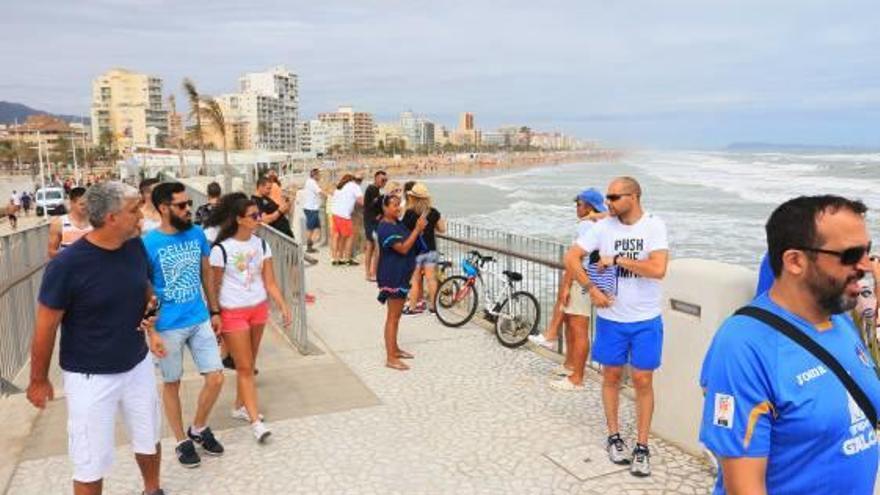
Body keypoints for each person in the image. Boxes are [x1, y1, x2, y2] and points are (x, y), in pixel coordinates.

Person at [700, 195, 880, 494]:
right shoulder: (743, 346)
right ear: (795, 261)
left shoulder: (840, 322)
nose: (865, 265)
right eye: (850, 255)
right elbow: (744, 488)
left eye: (868, 251)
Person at [26, 182, 165, 495]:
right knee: (91, 461)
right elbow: (45, 328)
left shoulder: (134, 246)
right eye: (134, 210)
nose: (141, 215)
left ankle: (152, 489)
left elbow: (144, 285)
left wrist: (151, 310)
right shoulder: (66, 266)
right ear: (112, 217)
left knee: (148, 436)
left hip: (137, 363)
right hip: (90, 377)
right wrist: (38, 380)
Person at [564, 176, 669, 477]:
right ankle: (614, 436)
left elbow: (658, 269)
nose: (607, 203)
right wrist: (591, 289)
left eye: (613, 197)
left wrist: (617, 259)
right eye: (607, 197)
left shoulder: (654, 226)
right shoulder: (602, 227)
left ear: (633, 197)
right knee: (610, 375)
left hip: (646, 319)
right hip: (611, 320)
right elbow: (571, 257)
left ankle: (642, 446)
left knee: (643, 381)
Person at [142, 182, 225, 468]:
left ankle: (198, 428)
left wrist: (215, 311)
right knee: (172, 382)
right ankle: (181, 440)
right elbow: (144, 289)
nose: (187, 209)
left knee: (216, 377)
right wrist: (151, 331)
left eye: (188, 203)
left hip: (199, 317)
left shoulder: (197, 233)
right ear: (163, 208)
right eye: (180, 205)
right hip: (167, 326)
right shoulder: (148, 243)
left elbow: (207, 275)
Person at [210, 196, 291, 443]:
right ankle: (256, 422)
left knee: (250, 361)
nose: (259, 219)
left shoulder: (262, 245)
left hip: (258, 309)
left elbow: (270, 282)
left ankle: (240, 406)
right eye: (254, 216)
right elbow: (213, 287)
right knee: (245, 367)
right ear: (239, 219)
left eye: (259, 215)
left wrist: (282, 304)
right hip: (233, 311)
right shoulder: (221, 249)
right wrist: (214, 317)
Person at [530, 188, 607, 349]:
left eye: (578, 204)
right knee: (572, 324)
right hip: (595, 275)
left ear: (588, 207)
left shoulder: (586, 224)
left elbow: (577, 258)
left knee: (577, 328)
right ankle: (567, 362)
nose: (576, 208)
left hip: (582, 278)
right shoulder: (602, 222)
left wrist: (566, 285)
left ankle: (552, 338)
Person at [376, 194, 427, 370]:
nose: (398, 209)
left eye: (399, 205)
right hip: (392, 276)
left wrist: (418, 229)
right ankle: (390, 358)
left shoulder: (397, 224)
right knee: (393, 317)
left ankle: (395, 349)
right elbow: (404, 248)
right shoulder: (385, 228)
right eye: (394, 206)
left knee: (396, 317)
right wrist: (417, 230)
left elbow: (409, 242)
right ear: (385, 208)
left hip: (400, 274)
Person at [401, 183, 446, 314]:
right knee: (431, 279)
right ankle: (434, 307)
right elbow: (442, 229)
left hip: (414, 251)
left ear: (413, 198)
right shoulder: (433, 212)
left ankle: (413, 307)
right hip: (430, 250)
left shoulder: (409, 213)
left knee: (414, 279)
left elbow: (403, 232)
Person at [330, 173, 364, 265]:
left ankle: (335, 258)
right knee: (349, 236)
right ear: (353, 180)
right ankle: (347, 258)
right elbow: (361, 201)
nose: (360, 182)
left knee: (338, 236)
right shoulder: (354, 186)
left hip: (335, 213)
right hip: (344, 214)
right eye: (359, 180)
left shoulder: (339, 187)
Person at [48, 186, 92, 258]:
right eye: (82, 204)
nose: (86, 207)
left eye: (88, 204)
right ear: (72, 203)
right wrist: (72, 256)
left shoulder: (95, 222)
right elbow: (51, 252)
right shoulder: (59, 223)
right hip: (69, 268)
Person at [363, 170, 388, 281]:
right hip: (371, 223)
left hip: (370, 222)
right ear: (376, 178)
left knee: (371, 247)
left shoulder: (374, 189)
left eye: (386, 180)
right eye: (383, 180)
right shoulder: (372, 189)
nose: (384, 182)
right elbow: (372, 206)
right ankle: (372, 273)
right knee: (374, 248)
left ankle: (370, 273)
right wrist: (378, 215)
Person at [302, 168, 325, 254]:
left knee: (316, 228)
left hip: (312, 208)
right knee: (311, 228)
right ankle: (309, 246)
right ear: (315, 175)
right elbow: (320, 192)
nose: (320, 176)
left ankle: (310, 244)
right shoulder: (312, 183)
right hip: (311, 209)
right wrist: (331, 196)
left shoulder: (309, 182)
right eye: (319, 175)